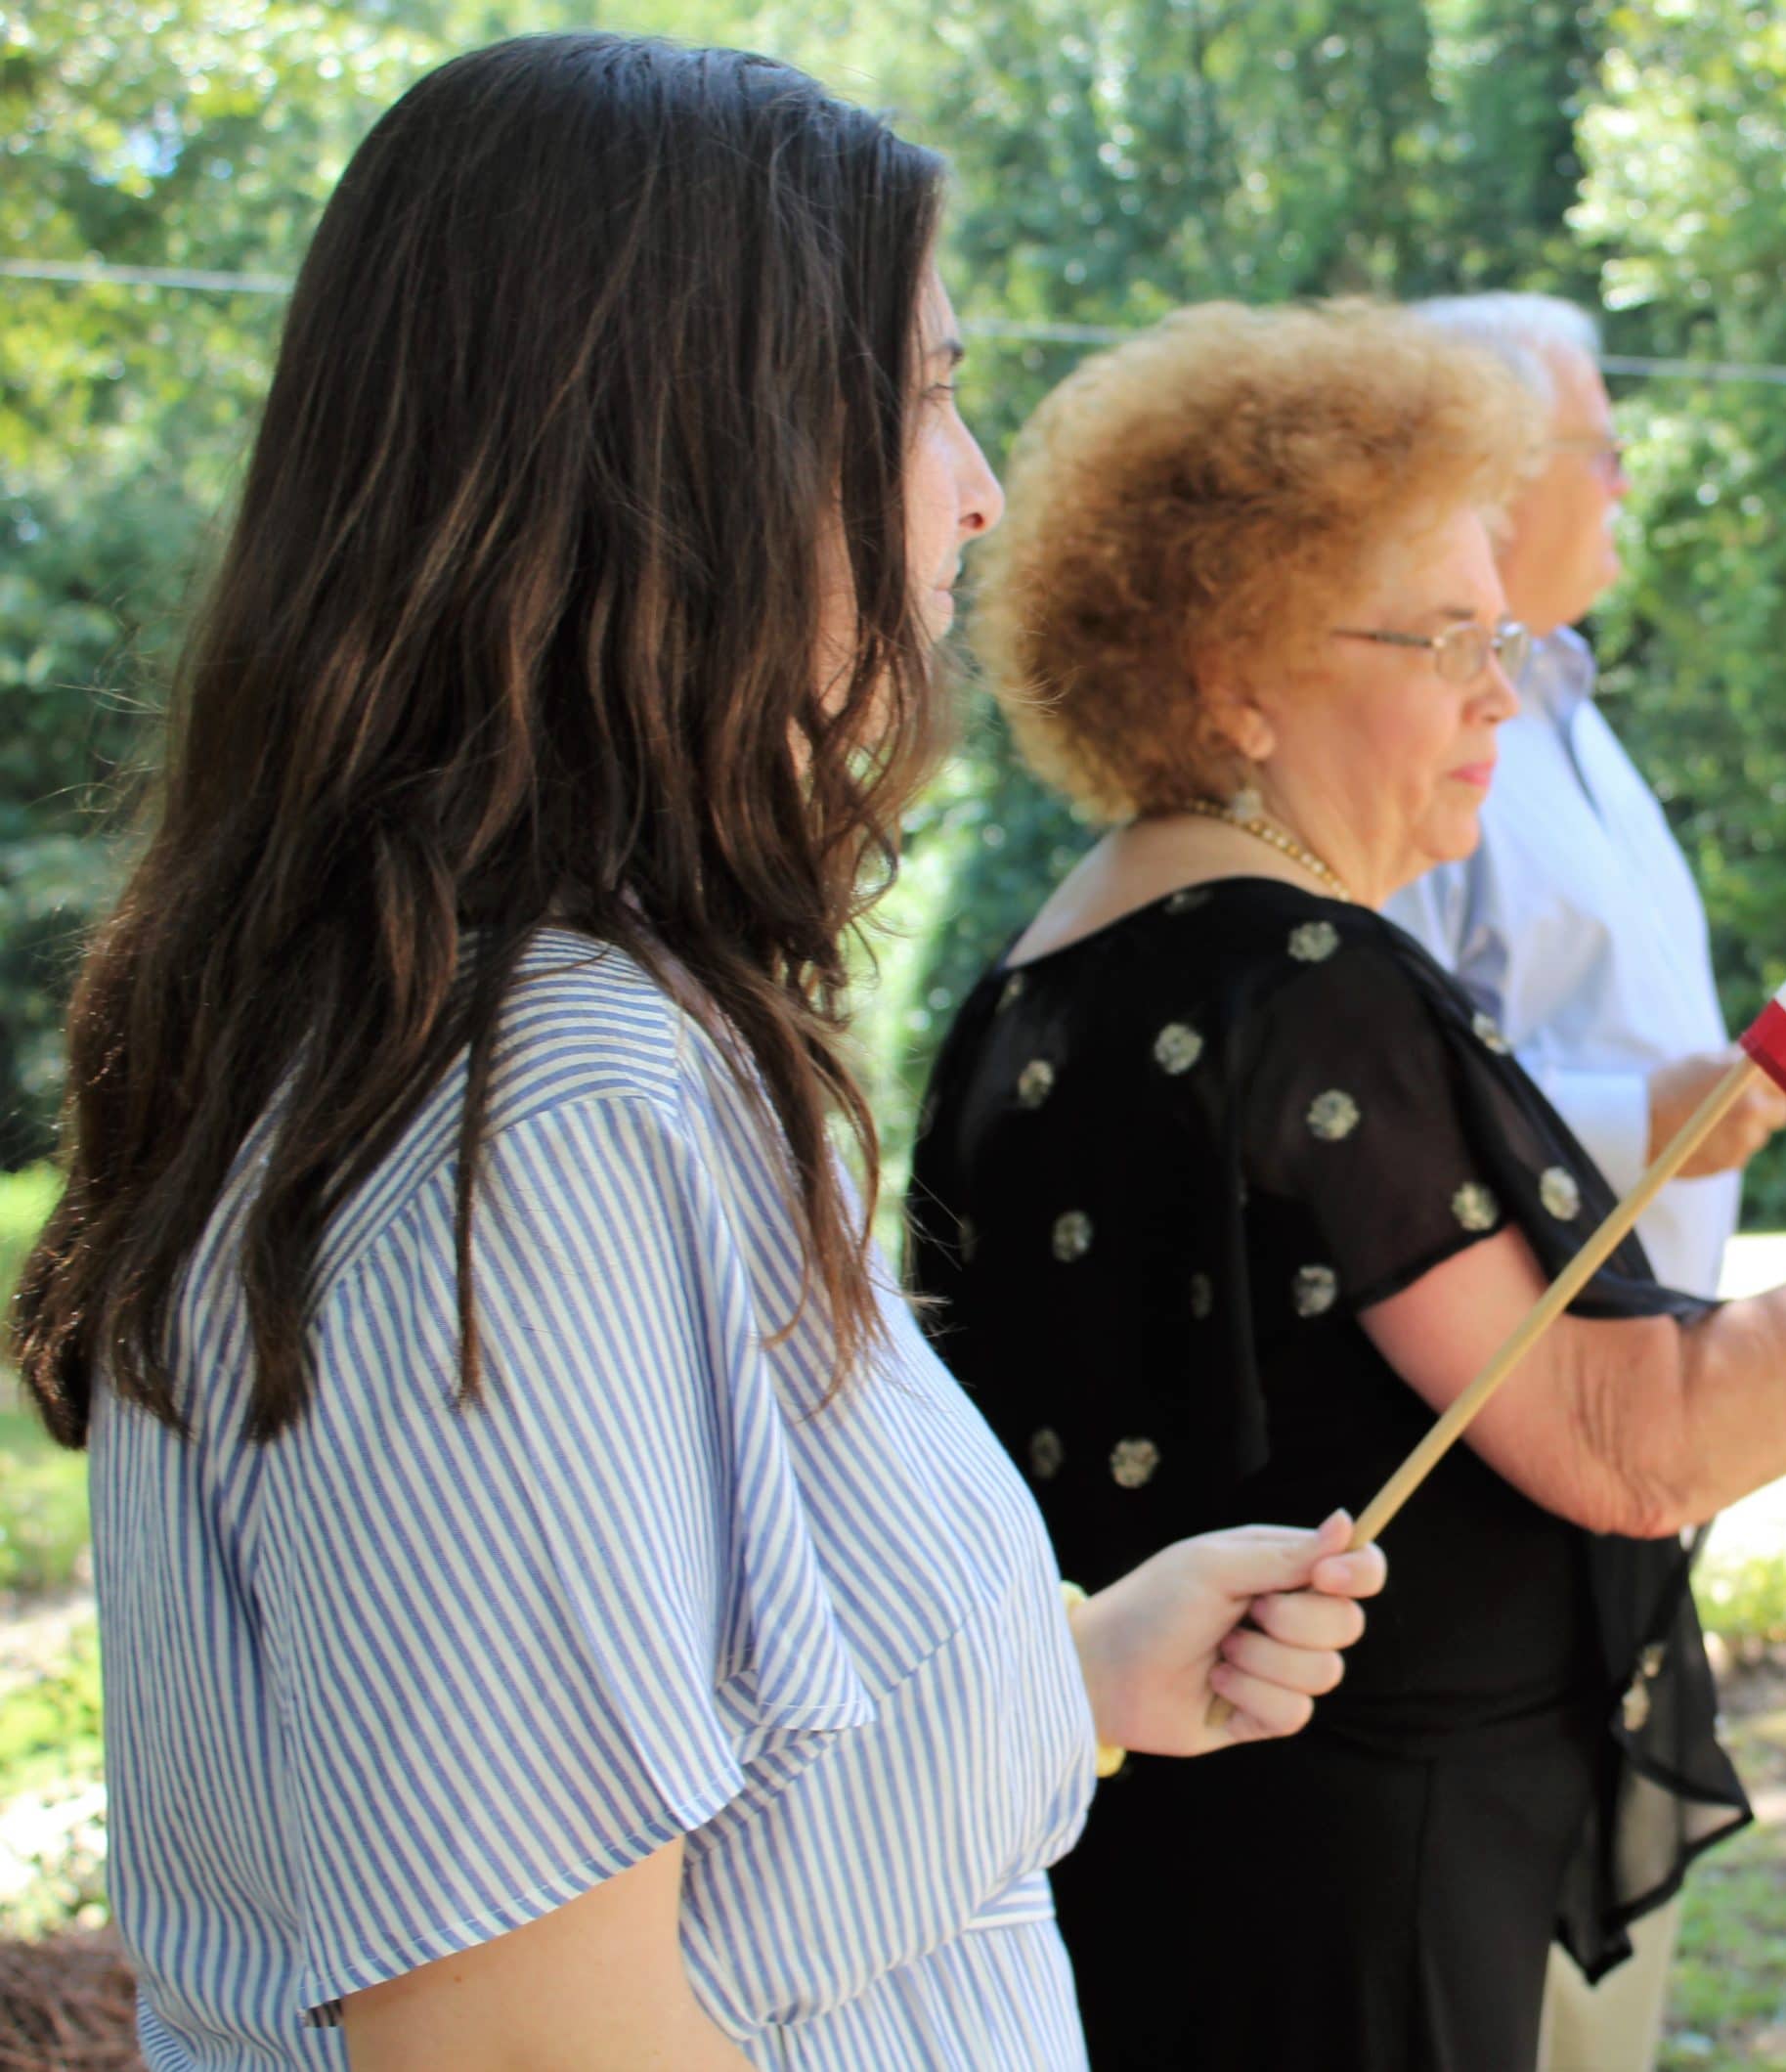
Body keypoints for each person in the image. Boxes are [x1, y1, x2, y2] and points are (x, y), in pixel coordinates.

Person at [6, 37, 1388, 2070]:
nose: (981, 486)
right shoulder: (539, 1114)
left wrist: (1076, 1675)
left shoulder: (555, 1038)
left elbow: (674, 1822)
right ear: (682, 466)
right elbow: (520, 2040)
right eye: (920, 397)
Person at [908, 298, 1786, 2072]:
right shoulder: (1303, 981)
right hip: (1345, 1898)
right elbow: (1632, 1435)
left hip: (1134, 1865)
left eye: (1505, 636)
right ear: (1232, 675)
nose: (1502, 691)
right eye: (1446, 639)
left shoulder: (1037, 978)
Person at [1383, 291, 1786, 2072]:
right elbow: (1379, 1086)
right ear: (1493, 469)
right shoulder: (1422, 724)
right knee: (1524, 1921)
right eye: (1600, 446)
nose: (1627, 480)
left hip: (1635, 1387)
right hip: (1511, 1402)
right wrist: (1651, 1115)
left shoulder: (1562, 708)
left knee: (1598, 1929)